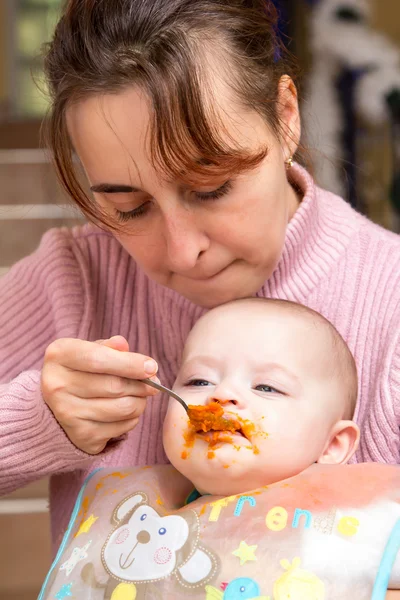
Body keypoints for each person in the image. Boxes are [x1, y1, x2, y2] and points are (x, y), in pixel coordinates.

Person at [0, 0, 400, 556]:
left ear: (286, 117)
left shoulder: (391, 303)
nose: (184, 252)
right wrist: (38, 422)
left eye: (211, 189)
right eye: (130, 208)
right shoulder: (74, 279)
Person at [39, 299, 400, 600]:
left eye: (267, 387)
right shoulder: (138, 513)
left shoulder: (345, 524)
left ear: (333, 444)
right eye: (199, 380)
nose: (221, 394)